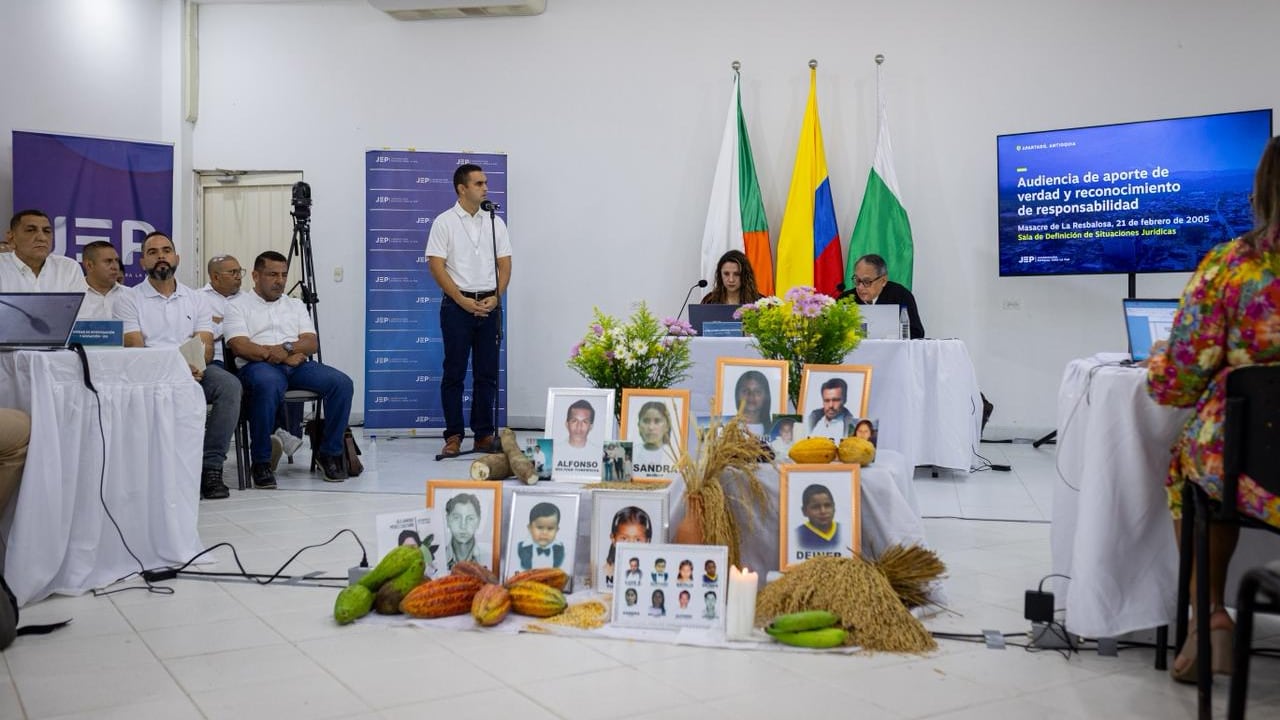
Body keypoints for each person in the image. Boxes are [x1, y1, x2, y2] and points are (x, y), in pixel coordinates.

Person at [1147, 135, 1280, 683]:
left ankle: (1211, 618)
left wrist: (1159, 361)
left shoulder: (1234, 267)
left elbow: (1175, 386)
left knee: (1192, 471)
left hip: (1253, 472)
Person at [114, 231, 240, 500]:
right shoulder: (128, 299)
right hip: (150, 373)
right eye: (152, 252)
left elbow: (205, 343)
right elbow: (135, 346)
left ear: (176, 258)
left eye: (166, 250)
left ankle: (211, 468)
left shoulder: (197, 299)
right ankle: (153, 470)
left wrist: (192, 366)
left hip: (194, 369)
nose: (161, 256)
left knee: (229, 386)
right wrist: (176, 368)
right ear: (142, 263)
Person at [225, 251, 355, 487]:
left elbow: (310, 342)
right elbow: (240, 345)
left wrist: (285, 348)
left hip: (298, 367)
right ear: (255, 275)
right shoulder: (236, 306)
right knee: (268, 383)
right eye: (272, 274)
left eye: (284, 275)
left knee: (342, 383)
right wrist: (284, 356)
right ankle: (261, 461)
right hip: (258, 367)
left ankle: (329, 453)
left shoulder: (294, 305)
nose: (280, 280)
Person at [425, 163, 512, 459]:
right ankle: (453, 435)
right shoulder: (444, 222)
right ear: (462, 189)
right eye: (479, 183)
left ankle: (484, 434)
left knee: (487, 373)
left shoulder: (494, 222)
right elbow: (436, 265)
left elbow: (505, 264)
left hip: (489, 303)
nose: (485, 188)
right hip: (456, 306)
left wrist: (497, 296)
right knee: (454, 372)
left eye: (485, 183)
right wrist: (460, 299)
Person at [842, 253, 924, 339]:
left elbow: (916, 333)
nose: (860, 287)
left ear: (883, 280)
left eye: (867, 281)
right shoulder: (845, 299)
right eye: (857, 280)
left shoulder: (901, 296)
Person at [0, 210, 85, 293]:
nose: (42, 238)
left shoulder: (68, 268)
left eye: (47, 231)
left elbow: (79, 307)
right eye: (30, 230)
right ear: (11, 238)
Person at [604, 506, 653, 588]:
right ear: (613, 539)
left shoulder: (651, 571)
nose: (631, 545)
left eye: (638, 540)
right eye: (624, 538)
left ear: (647, 541)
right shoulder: (607, 571)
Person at [76, 240, 126, 320]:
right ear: (89, 265)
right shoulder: (74, 296)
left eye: (116, 260)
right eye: (108, 261)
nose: (115, 267)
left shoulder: (131, 295)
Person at [443, 493, 490, 570]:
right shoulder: (437, 558)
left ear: (478, 521)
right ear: (448, 520)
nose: (463, 526)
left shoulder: (489, 560)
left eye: (470, 518)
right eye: (456, 517)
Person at [516, 501, 565, 570]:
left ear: (557, 530)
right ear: (530, 528)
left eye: (550, 528)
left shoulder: (560, 549)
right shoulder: (521, 549)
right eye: (540, 527)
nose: (544, 532)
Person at [796, 483, 841, 550]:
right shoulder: (797, 535)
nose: (823, 511)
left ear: (834, 507)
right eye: (816, 507)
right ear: (804, 511)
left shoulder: (844, 531)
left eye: (827, 505)